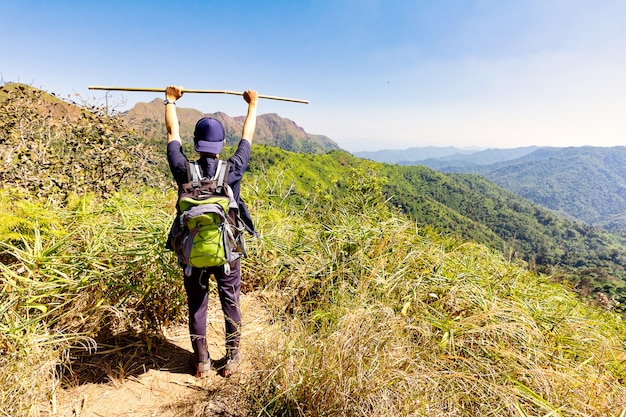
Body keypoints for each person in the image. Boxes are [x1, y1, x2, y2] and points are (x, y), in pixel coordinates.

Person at [164, 85, 258, 377]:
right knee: (230, 300)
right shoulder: (232, 169)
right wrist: (252, 105)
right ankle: (232, 359)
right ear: (221, 144)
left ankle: (202, 362)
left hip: (193, 254)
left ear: (195, 144)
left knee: (197, 305)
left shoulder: (183, 170)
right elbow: (248, 137)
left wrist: (170, 100)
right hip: (227, 252)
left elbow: (171, 134)